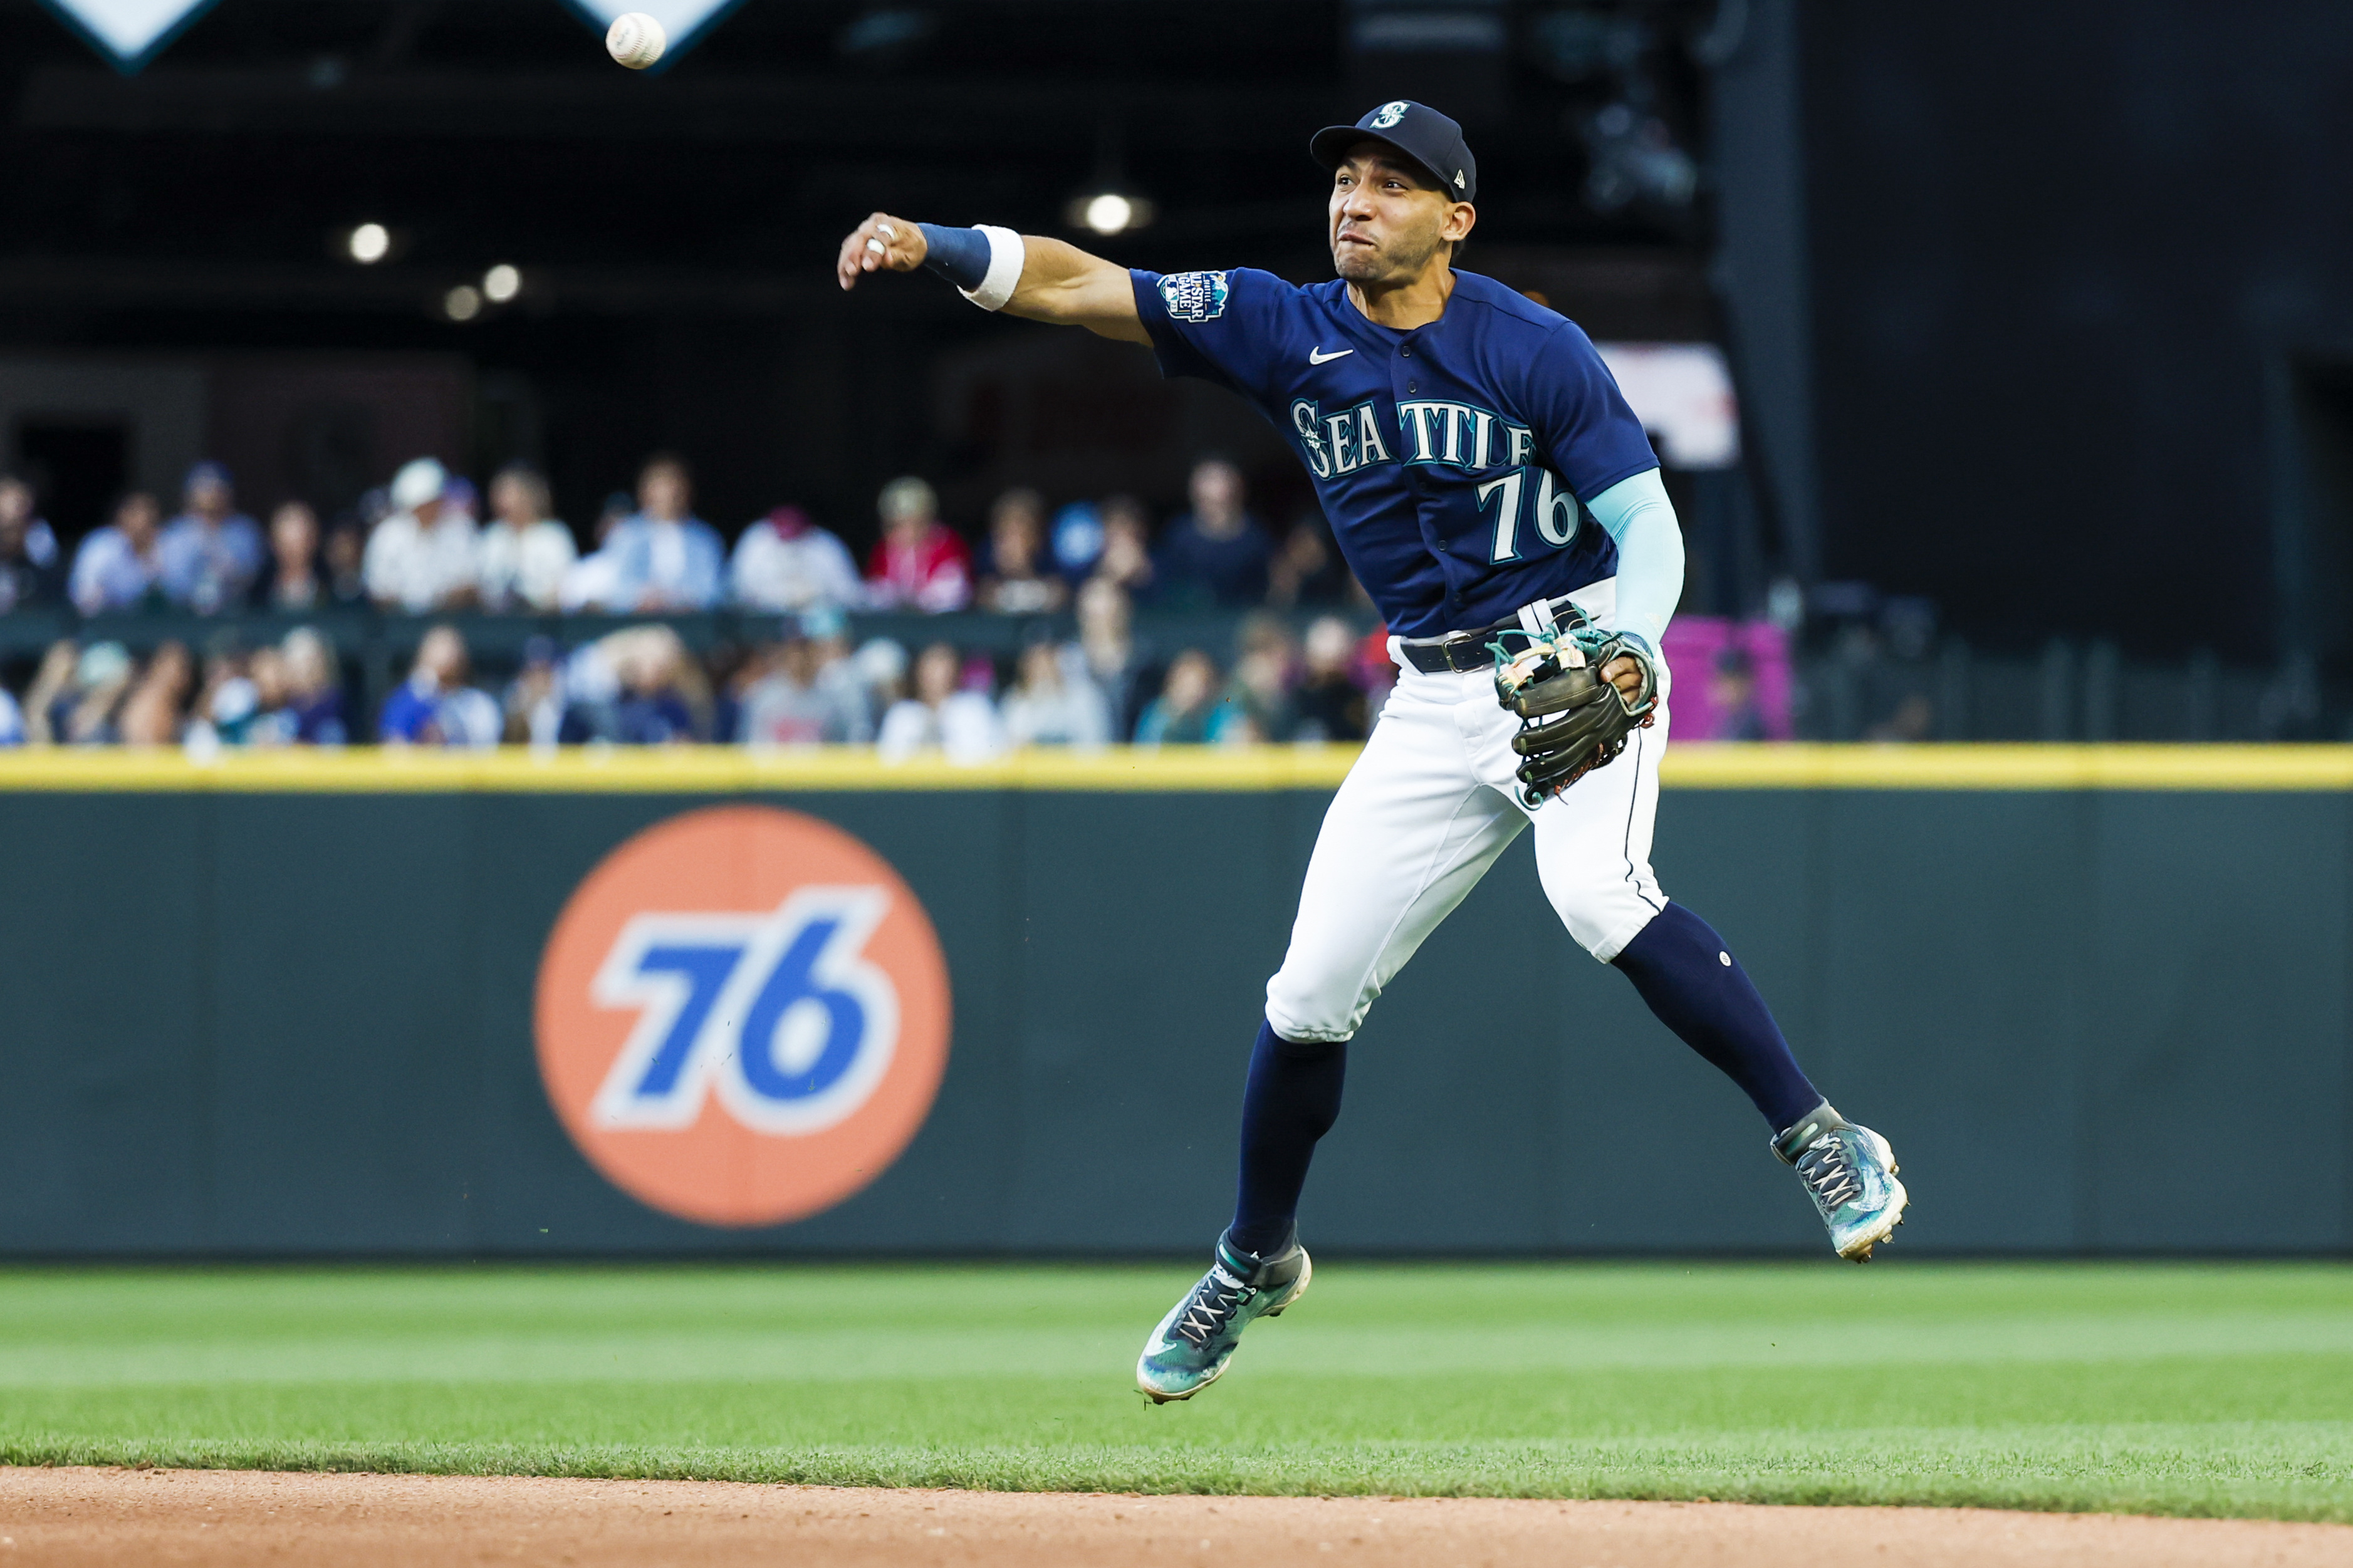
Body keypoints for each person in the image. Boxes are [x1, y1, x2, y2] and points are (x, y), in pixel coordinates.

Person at [838, 97, 1907, 1404]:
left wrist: (1628, 652)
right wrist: (932, 241)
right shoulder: (1281, 324)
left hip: (1566, 658)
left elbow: (1649, 529)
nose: (1354, 200)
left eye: (1392, 184)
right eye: (1345, 178)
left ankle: (1819, 1135)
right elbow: (1079, 283)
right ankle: (1251, 1258)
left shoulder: (1530, 345)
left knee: (1593, 894)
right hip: (1428, 696)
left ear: (1454, 220)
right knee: (1307, 995)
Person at [602, 454, 725, 611]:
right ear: (645, 493)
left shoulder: (705, 540)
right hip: (637, 624)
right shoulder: (626, 536)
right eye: (660, 489)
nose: (668, 497)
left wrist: (677, 599)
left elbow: (714, 591)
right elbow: (614, 587)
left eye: (674, 490)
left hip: (691, 626)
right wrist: (643, 597)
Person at [364, 459, 482, 613]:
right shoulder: (387, 535)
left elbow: (472, 585)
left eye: (433, 501)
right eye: (421, 505)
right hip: (397, 623)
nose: (428, 509)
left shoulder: (461, 530)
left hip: (450, 619)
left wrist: (440, 601)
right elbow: (378, 590)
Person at [1154, 458, 1272, 609]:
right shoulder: (1179, 535)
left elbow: (1268, 591)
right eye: (1207, 500)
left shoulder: (1256, 538)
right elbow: (1165, 587)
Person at [157, 461, 264, 613]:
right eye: (203, 487)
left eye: (217, 487)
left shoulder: (244, 531)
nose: (211, 494)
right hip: (183, 616)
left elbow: (250, 576)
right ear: (189, 494)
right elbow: (173, 583)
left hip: (234, 613)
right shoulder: (175, 534)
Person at [877, 641, 1003, 763]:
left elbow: (996, 755)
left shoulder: (975, 708)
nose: (936, 674)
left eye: (943, 665)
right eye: (930, 665)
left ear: (956, 670)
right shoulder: (901, 714)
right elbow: (886, 761)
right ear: (918, 671)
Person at [477, 465, 578, 613]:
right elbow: (483, 587)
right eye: (498, 494)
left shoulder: (554, 535)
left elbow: (568, 586)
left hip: (545, 620)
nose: (502, 501)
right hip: (498, 621)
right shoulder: (492, 536)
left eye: (509, 493)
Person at [378, 625, 501, 747]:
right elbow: (394, 746)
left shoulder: (479, 704)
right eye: (439, 649)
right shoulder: (409, 700)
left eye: (453, 650)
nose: (448, 657)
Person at [863, 476, 971, 612]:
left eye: (912, 523)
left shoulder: (949, 545)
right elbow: (873, 595)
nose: (903, 533)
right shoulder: (883, 549)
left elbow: (951, 597)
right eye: (894, 525)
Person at [730, 505, 861, 613]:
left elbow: (848, 594)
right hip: (764, 621)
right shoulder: (756, 539)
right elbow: (738, 591)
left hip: (818, 624)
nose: (788, 528)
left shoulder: (825, 545)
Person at [999, 639, 1110, 748]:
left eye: (1048, 658)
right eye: (1034, 661)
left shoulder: (1085, 696)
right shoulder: (1016, 702)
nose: (1043, 668)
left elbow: (1097, 745)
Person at [68, 492, 166, 615]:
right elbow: (83, 598)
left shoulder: (159, 550)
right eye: (141, 516)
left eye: (153, 521)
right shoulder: (102, 545)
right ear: (123, 516)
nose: (148, 527)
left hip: (139, 626)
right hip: (99, 624)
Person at [974, 487, 1067, 614]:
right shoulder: (983, 564)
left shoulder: (1057, 559)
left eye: (1019, 533)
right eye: (1004, 534)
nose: (1010, 544)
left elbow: (1060, 594)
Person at [1132, 648, 1231, 745]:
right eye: (1188, 685)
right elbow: (1146, 752)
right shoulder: (1157, 717)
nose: (1194, 693)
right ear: (1174, 684)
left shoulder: (1218, 715)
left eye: (1200, 686)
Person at [0, 474, 62, 613]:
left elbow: (49, 585)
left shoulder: (39, 534)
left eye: (23, 504)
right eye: (16, 504)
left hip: (32, 622)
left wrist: (21, 544)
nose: (21, 511)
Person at [250, 502, 326, 611]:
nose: (292, 552)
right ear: (273, 543)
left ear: (313, 541)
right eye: (285, 544)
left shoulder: (332, 588)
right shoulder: (258, 593)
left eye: (298, 543)